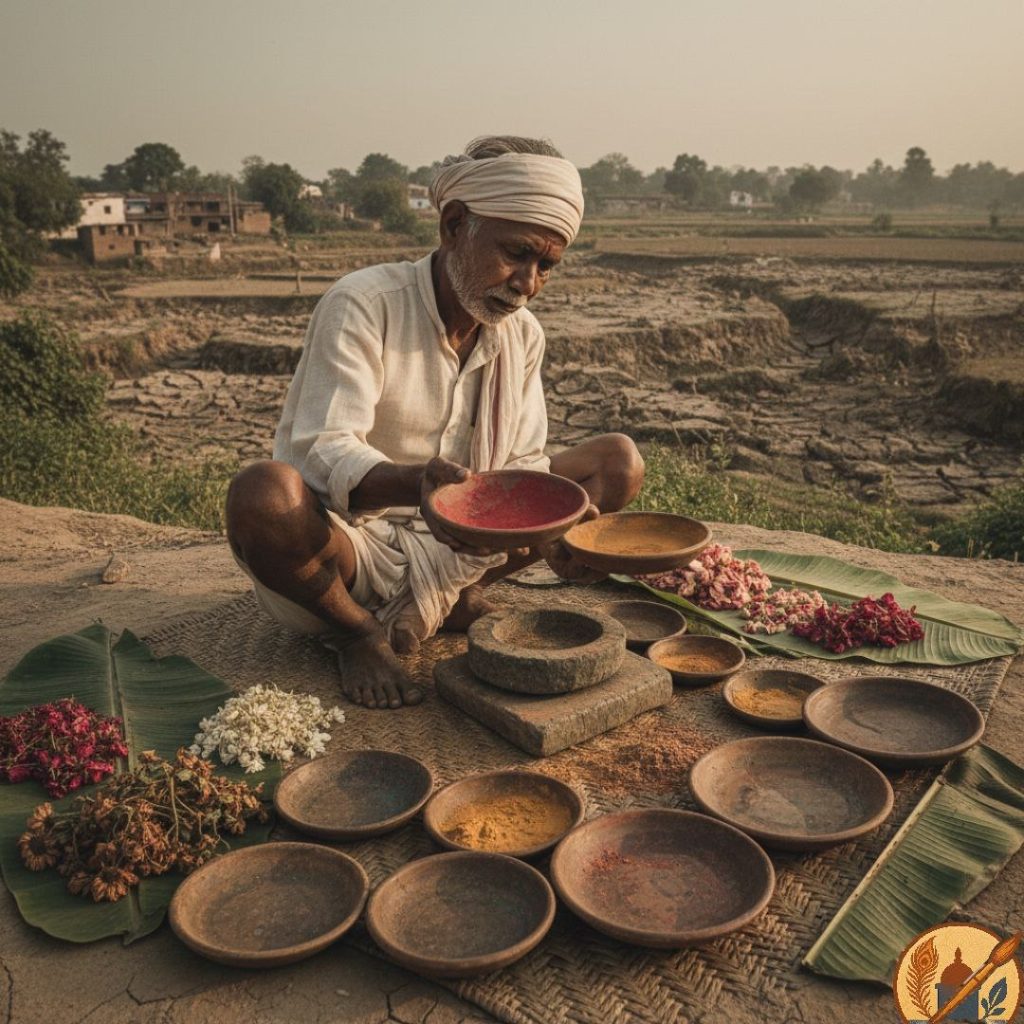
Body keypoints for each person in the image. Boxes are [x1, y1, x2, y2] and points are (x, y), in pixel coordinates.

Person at [226, 136, 644, 710]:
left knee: (617, 464)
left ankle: (456, 594)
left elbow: (522, 463)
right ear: (453, 226)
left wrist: (554, 538)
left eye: (546, 265)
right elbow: (321, 452)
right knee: (263, 497)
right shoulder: (365, 304)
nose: (527, 283)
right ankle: (357, 632)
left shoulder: (522, 334)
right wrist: (414, 484)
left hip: (466, 541)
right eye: (516, 252)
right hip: (351, 545)